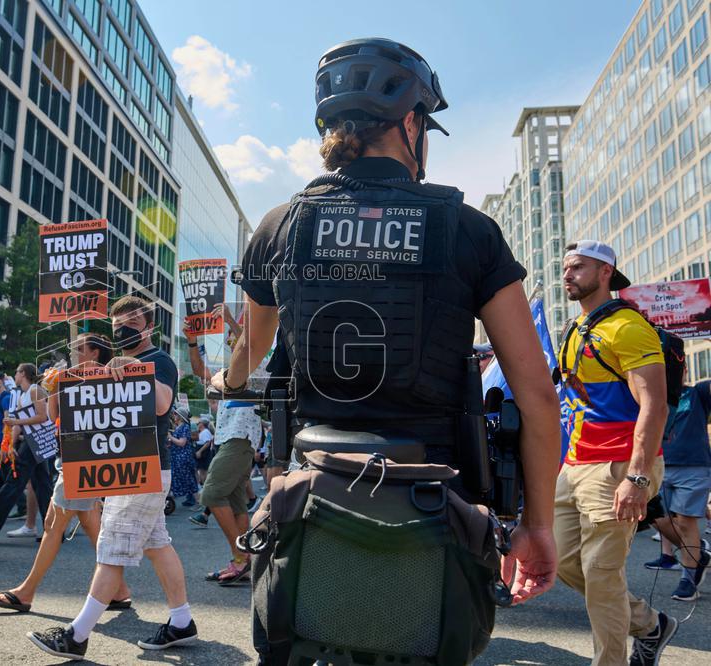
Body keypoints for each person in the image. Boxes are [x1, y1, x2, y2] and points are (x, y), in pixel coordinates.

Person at [212, 38, 561, 664]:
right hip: (435, 507)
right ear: (410, 124)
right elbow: (535, 394)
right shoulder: (470, 230)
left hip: (313, 498)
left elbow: (251, 351)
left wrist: (222, 377)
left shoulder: (279, 225)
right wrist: (538, 526)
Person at [29, 296, 196, 659]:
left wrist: (133, 366)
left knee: (111, 549)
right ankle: (182, 621)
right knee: (156, 544)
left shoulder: (159, 360)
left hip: (143, 469)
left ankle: (77, 634)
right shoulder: (115, 364)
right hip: (128, 469)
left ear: (148, 326)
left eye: (131, 324)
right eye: (117, 324)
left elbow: (163, 403)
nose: (123, 330)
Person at [557, 240, 675, 665]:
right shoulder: (574, 330)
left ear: (605, 271)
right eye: (566, 267)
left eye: (578, 267)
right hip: (574, 466)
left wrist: (638, 478)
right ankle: (650, 625)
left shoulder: (627, 327)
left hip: (618, 466)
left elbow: (654, 405)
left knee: (602, 574)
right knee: (565, 564)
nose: (567, 274)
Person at [0, 333, 132, 613]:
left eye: (79, 348)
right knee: (91, 525)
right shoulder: (69, 378)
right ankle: (120, 590)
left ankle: (26, 592)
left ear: (94, 353)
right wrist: (54, 386)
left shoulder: (110, 376)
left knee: (54, 525)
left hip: (86, 458)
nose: (74, 353)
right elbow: (55, 416)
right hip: (73, 457)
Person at [183, 313, 263, 584]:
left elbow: (248, 343)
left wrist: (230, 320)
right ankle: (245, 561)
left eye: (234, 336)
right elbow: (198, 371)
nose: (231, 338)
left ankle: (241, 558)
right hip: (229, 441)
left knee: (211, 494)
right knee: (236, 503)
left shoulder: (254, 364)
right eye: (229, 335)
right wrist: (192, 343)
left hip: (240, 440)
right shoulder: (225, 375)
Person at [642, 370, 711, 602]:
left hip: (693, 467)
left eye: (677, 368)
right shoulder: (652, 396)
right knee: (657, 518)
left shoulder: (698, 393)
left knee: (685, 521)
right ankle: (696, 552)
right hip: (659, 466)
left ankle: (688, 578)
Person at [0, 364, 54, 542]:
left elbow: (42, 416)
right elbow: (20, 422)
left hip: (36, 440)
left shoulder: (35, 390)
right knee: (42, 485)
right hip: (32, 441)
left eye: (17, 372)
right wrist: (11, 443)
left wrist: (16, 423)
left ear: (23, 374)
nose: (14, 375)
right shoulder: (24, 394)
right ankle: (52, 530)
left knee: (15, 482)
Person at [168, 408, 198, 508]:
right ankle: (194, 501)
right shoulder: (179, 427)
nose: (174, 416)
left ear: (180, 417)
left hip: (182, 458)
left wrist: (171, 437)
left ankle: (199, 503)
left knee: (189, 480)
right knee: (185, 479)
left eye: (175, 415)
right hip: (178, 458)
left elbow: (182, 443)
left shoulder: (184, 427)